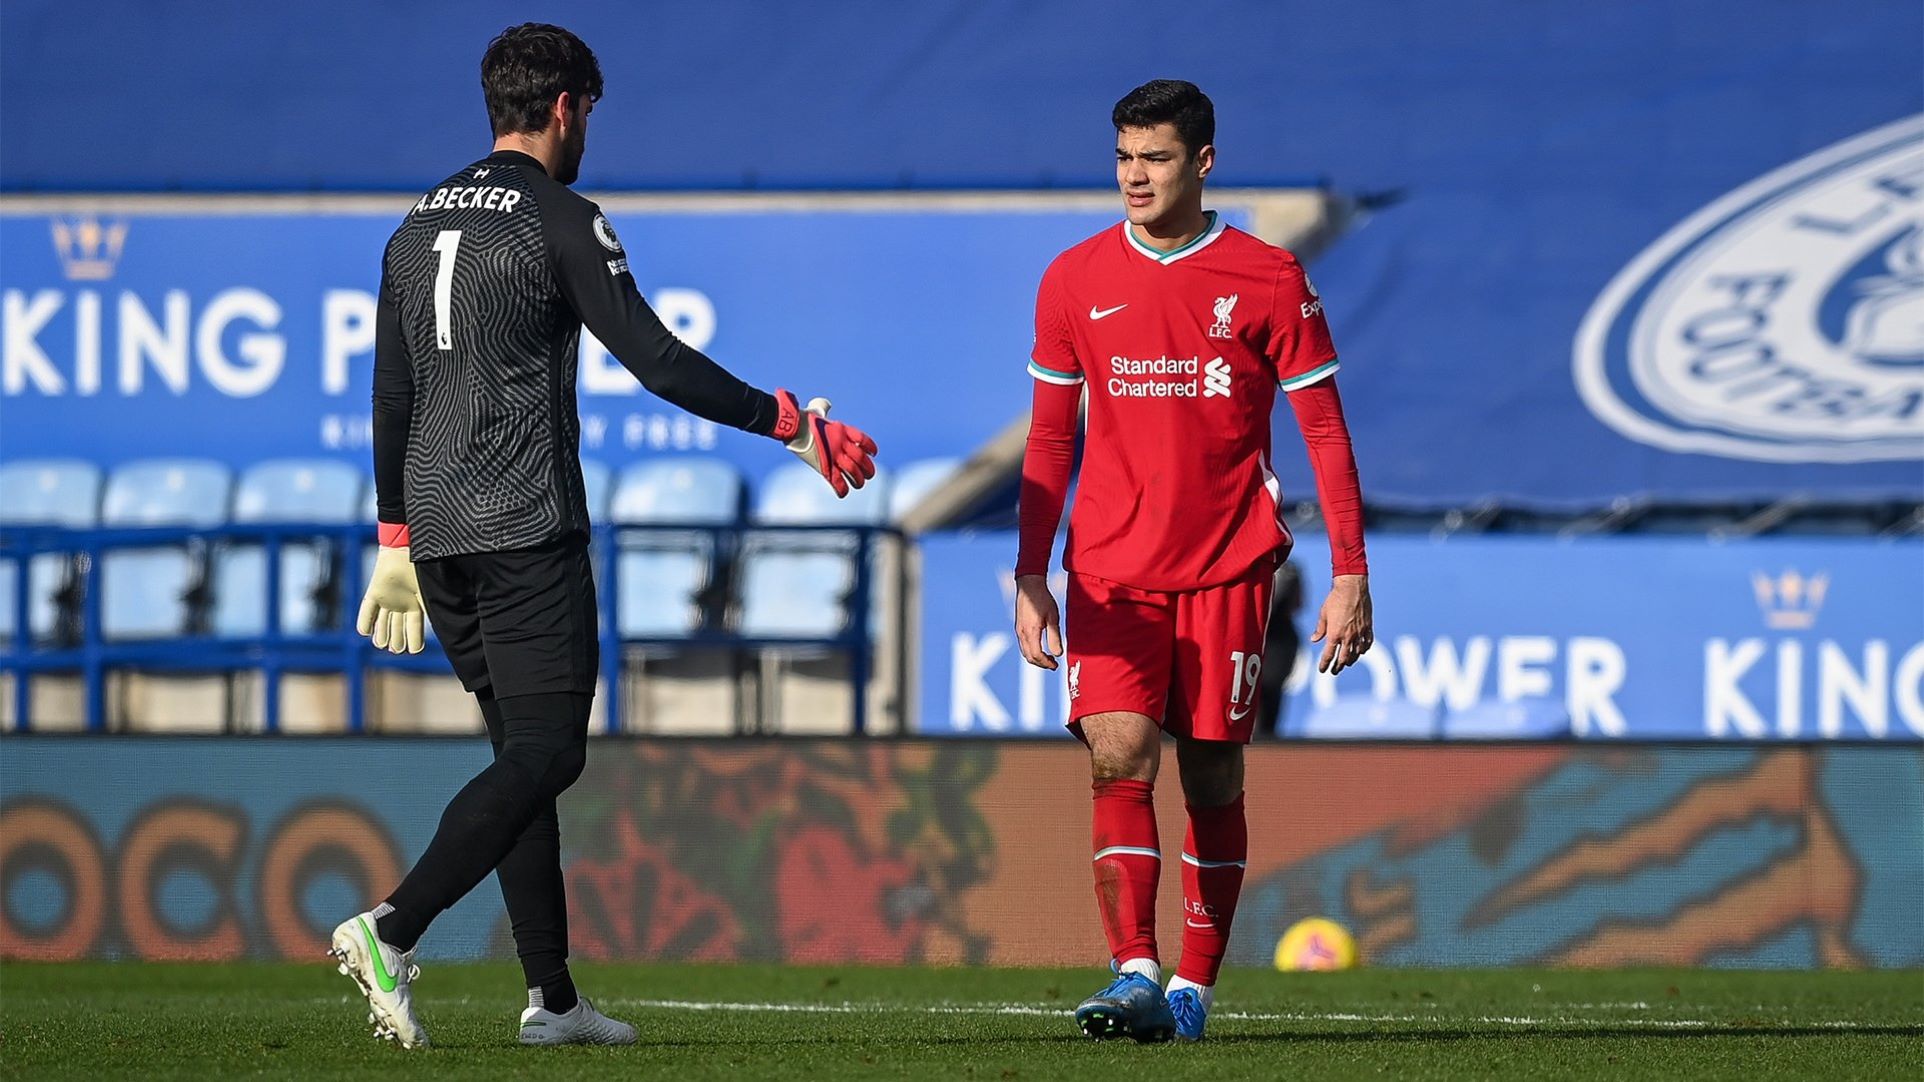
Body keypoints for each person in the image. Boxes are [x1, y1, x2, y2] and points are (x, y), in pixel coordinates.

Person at [333, 23, 877, 1050]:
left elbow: (391, 391)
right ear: (569, 108)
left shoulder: (412, 225)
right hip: (524, 523)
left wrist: (393, 538)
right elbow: (657, 360)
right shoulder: (560, 216)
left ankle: (552, 998)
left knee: (519, 759)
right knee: (547, 751)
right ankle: (392, 926)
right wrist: (792, 421)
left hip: (437, 539)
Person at [1012, 79, 1372, 1043]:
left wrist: (1349, 572)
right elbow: (1051, 443)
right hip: (1111, 572)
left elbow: (1326, 435)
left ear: (1203, 162)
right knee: (1119, 751)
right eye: (1125, 156)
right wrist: (1030, 574)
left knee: (1212, 771)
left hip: (1228, 567)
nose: (1136, 175)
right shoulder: (1074, 279)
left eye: (1156, 158)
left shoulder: (1268, 276)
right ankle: (1134, 968)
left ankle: (1193, 989)